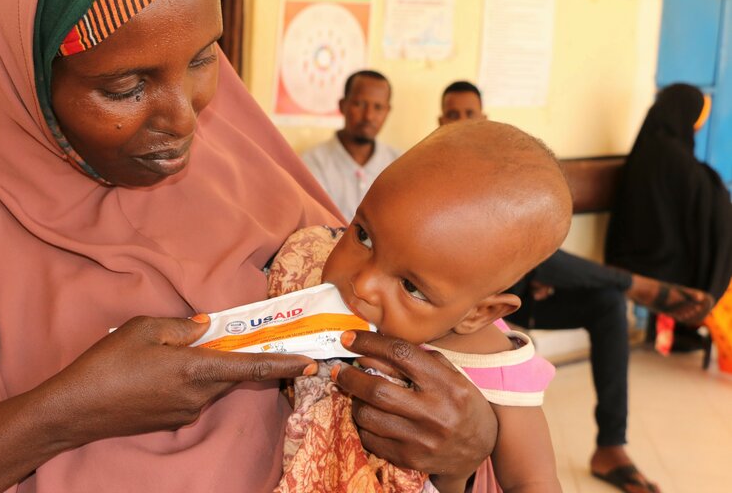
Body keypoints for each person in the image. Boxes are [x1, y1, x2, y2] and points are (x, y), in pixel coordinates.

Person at [0, 0, 501, 491]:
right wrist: (58, 416)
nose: (186, 121)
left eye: (205, 57)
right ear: (14, 73)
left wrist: (464, 451)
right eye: (126, 86)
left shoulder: (262, 188)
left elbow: (414, 375)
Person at [439, 80, 715, 493]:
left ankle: (611, 447)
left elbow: (528, 237)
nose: (462, 121)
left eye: (469, 114)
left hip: (519, 293)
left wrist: (532, 269)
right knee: (549, 268)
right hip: (464, 310)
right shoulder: (429, 176)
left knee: (604, 303)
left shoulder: (497, 172)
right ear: (440, 121)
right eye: (453, 114)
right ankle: (635, 285)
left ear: (483, 118)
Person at [271, 120, 569, 493]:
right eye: (364, 235)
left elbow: (534, 481)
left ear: (478, 314)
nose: (362, 284)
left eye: (411, 287)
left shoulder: (497, 371)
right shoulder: (309, 266)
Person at [606, 83, 732, 360]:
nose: (698, 125)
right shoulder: (669, 153)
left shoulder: (652, 144)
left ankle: (681, 329)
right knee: (717, 251)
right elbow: (703, 194)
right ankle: (687, 326)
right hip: (652, 257)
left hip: (640, 249)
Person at [301, 70, 401, 220]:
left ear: (388, 111)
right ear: (342, 105)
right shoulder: (311, 164)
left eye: (378, 107)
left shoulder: (400, 165)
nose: (368, 116)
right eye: (359, 104)